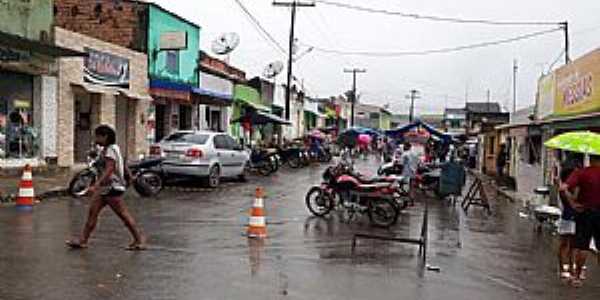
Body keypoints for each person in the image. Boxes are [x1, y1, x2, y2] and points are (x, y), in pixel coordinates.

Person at [67, 125, 145, 250]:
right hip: (105, 188)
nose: (95, 139)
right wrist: (129, 177)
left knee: (123, 215)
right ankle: (82, 240)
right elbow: (122, 163)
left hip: (112, 187)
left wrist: (95, 185)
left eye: (98, 136)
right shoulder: (112, 149)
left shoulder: (110, 150)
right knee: (92, 212)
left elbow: (110, 169)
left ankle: (139, 240)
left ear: (105, 137)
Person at [560, 154, 600, 287]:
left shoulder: (581, 173)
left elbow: (563, 188)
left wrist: (572, 203)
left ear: (591, 158)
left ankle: (577, 277)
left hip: (585, 212)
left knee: (583, 246)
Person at [556, 151, 583, 280]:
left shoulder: (570, 187)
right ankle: (562, 268)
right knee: (564, 243)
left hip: (574, 218)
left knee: (573, 245)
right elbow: (572, 202)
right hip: (567, 217)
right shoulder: (564, 189)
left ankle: (571, 267)